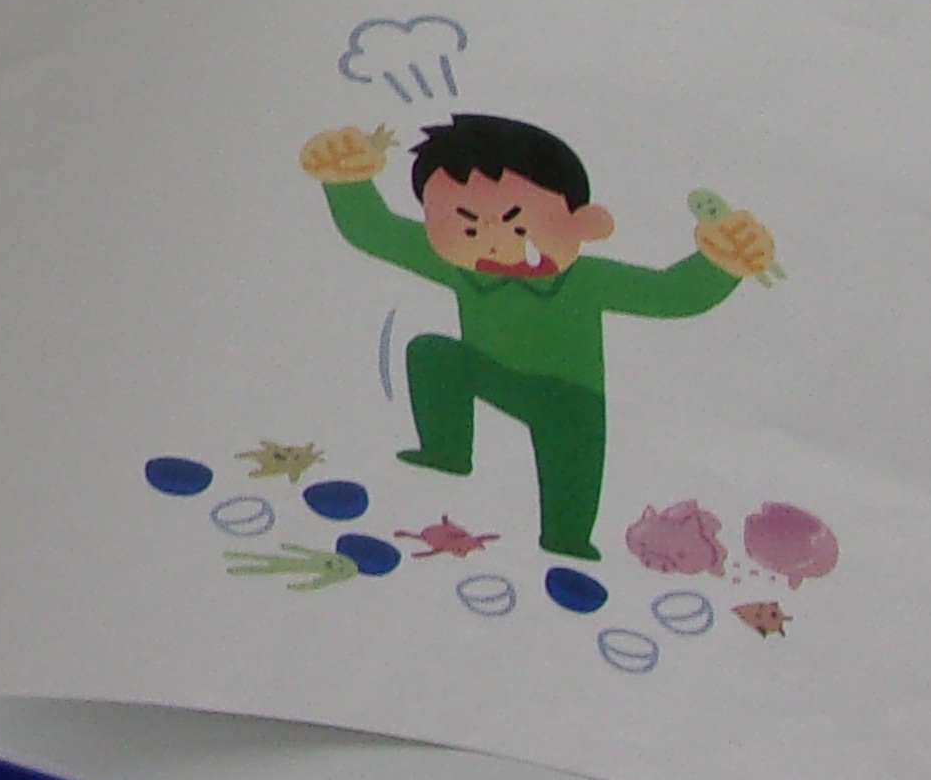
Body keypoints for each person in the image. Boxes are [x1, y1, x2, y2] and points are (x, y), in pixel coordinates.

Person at [298, 115, 777, 561]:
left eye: (516, 222)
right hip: (488, 368)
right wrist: (344, 181)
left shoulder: (584, 281)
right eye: (467, 225)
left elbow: (668, 293)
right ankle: (446, 451)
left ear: (586, 224)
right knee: (431, 353)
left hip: (568, 398)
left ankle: (567, 536)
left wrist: (721, 265)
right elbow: (377, 232)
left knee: (573, 452)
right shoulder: (465, 270)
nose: (491, 237)